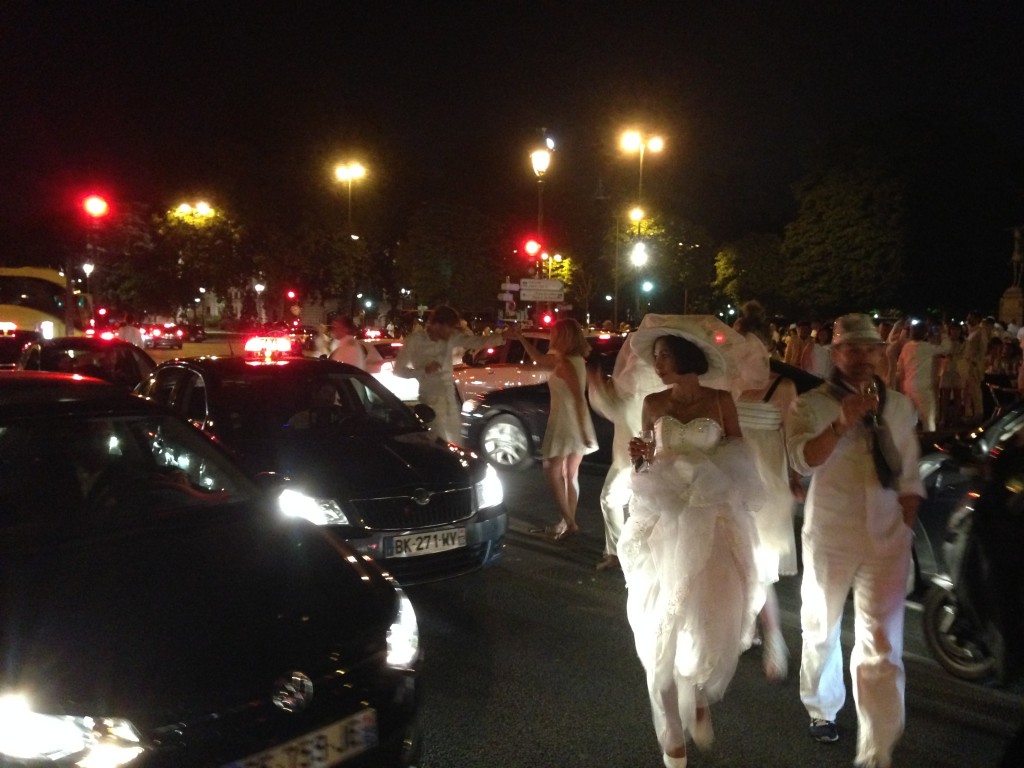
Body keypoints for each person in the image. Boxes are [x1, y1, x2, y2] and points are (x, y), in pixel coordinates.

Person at [616, 315, 764, 768]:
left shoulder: (721, 402)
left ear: (684, 355)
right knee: (656, 627)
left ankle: (698, 694)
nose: (656, 363)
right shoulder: (652, 403)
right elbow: (643, 466)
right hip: (662, 522)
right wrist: (640, 460)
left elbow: (740, 457)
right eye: (655, 356)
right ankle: (672, 743)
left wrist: (713, 480)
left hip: (710, 521)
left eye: (663, 355)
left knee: (705, 620)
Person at [785, 313, 924, 768]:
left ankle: (876, 747)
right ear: (835, 353)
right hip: (830, 534)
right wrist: (842, 423)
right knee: (821, 627)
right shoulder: (811, 405)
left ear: (882, 353)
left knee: (882, 641)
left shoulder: (900, 408)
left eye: (870, 349)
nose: (862, 357)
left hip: (886, 538)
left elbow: (909, 474)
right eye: (851, 349)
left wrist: (905, 524)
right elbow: (804, 460)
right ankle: (822, 708)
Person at [733, 313, 800, 682]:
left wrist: (796, 479)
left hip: (770, 490)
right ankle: (753, 629)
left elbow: (793, 442)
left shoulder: (783, 387)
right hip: (735, 486)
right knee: (741, 562)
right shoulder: (729, 386)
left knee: (758, 567)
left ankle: (772, 635)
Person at [508, 319, 597, 540]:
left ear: (563, 337)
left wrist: (584, 431)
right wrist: (520, 338)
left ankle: (570, 523)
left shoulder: (567, 364)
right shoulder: (570, 360)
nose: (552, 337)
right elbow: (538, 360)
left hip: (567, 422)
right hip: (575, 422)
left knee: (551, 470)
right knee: (569, 474)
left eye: (555, 334)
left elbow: (578, 398)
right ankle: (567, 522)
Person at [392, 305, 495, 444]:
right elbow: (398, 370)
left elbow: (476, 342)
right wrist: (423, 371)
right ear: (439, 325)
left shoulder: (450, 339)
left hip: (450, 398)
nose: (452, 332)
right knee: (437, 442)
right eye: (450, 327)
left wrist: (502, 337)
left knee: (456, 442)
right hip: (430, 399)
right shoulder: (414, 341)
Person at [586, 350, 645, 570]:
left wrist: (596, 382)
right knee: (633, 501)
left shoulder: (633, 384)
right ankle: (623, 552)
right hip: (638, 454)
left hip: (633, 456)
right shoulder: (649, 383)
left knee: (611, 498)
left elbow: (611, 408)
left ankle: (620, 554)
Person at [896, 322, 946, 432]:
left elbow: (900, 367)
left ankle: (908, 442)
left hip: (908, 386)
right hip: (923, 387)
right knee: (928, 418)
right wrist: (943, 334)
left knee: (909, 418)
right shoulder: (928, 347)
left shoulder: (906, 347)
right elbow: (946, 349)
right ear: (925, 334)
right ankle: (930, 443)